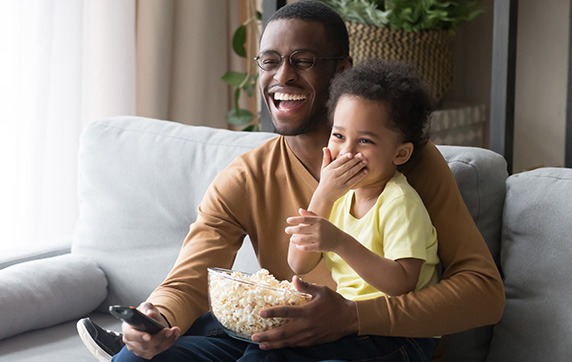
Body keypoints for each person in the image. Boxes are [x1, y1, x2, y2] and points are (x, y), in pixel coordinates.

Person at [78, 1, 504, 361]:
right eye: (270, 61)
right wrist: (158, 317)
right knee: (141, 353)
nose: (282, 76)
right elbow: (192, 276)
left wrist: (354, 317)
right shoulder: (246, 176)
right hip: (279, 339)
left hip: (378, 344)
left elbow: (483, 293)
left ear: (342, 71)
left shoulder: (410, 165)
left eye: (302, 61)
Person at [287, 61, 440, 301]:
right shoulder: (336, 197)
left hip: (397, 331)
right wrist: (323, 195)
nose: (346, 152)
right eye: (338, 136)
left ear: (400, 154)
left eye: (365, 141)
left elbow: (402, 283)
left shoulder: (399, 202)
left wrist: (339, 242)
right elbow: (298, 263)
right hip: (350, 322)